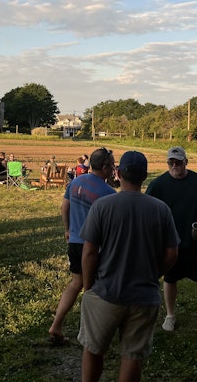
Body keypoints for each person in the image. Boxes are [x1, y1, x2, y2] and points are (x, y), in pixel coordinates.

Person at [78, 151, 179, 382]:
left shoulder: (103, 206)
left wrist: (87, 287)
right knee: (133, 355)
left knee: (93, 349)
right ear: (144, 176)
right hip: (144, 295)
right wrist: (154, 274)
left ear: (119, 173)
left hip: (105, 292)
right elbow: (172, 253)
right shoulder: (161, 209)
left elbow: (90, 251)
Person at [146, 146, 197, 332]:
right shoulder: (158, 184)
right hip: (171, 243)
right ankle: (170, 316)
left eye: (178, 162)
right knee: (170, 280)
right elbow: (146, 208)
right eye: (171, 162)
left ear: (186, 162)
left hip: (196, 242)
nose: (174, 165)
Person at [48, 147, 116, 345]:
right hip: (93, 248)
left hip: (75, 242)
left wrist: (67, 230)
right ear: (104, 167)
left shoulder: (76, 182)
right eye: (111, 165)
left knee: (76, 283)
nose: (113, 169)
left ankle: (56, 325)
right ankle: (89, 332)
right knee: (91, 289)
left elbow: (65, 207)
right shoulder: (108, 193)